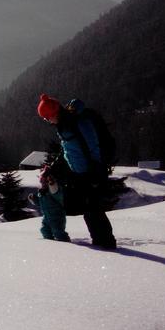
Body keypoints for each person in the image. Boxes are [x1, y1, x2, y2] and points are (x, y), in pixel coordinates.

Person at [36, 94, 117, 249]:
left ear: (53, 114)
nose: (47, 121)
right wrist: (52, 167)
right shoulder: (64, 125)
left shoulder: (76, 123)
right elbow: (68, 151)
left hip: (92, 173)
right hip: (82, 173)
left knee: (94, 209)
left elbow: (93, 147)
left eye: (46, 118)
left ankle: (106, 244)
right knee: (89, 209)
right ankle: (101, 243)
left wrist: (95, 172)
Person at [31, 164, 70, 242]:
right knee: (44, 230)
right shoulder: (41, 192)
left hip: (57, 216)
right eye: (41, 182)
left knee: (58, 231)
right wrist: (34, 200)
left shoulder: (53, 190)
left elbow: (56, 192)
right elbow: (41, 204)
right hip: (46, 217)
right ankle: (50, 243)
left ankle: (65, 242)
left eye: (44, 182)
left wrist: (52, 183)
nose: (42, 184)